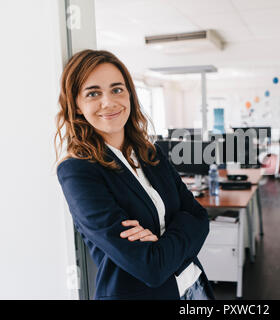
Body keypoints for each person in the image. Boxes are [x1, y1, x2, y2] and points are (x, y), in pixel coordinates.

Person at [54, 49, 214, 300]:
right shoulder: (78, 172)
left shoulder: (152, 153)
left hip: (193, 288)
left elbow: (200, 217)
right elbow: (151, 267)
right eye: (93, 93)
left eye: (117, 89)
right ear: (76, 104)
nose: (108, 102)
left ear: (129, 94)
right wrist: (183, 225)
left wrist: (162, 242)